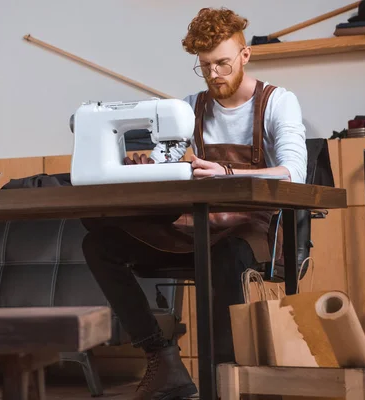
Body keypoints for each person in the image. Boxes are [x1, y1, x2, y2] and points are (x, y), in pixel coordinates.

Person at [81, 7, 307, 400]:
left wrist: (227, 174)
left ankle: (222, 382)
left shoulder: (277, 102)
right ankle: (162, 357)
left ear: (245, 55)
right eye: (205, 66)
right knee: (99, 244)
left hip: (249, 232)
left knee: (225, 255)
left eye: (222, 63)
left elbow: (293, 174)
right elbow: (168, 164)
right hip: (196, 227)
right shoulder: (189, 107)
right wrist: (145, 163)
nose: (214, 73)